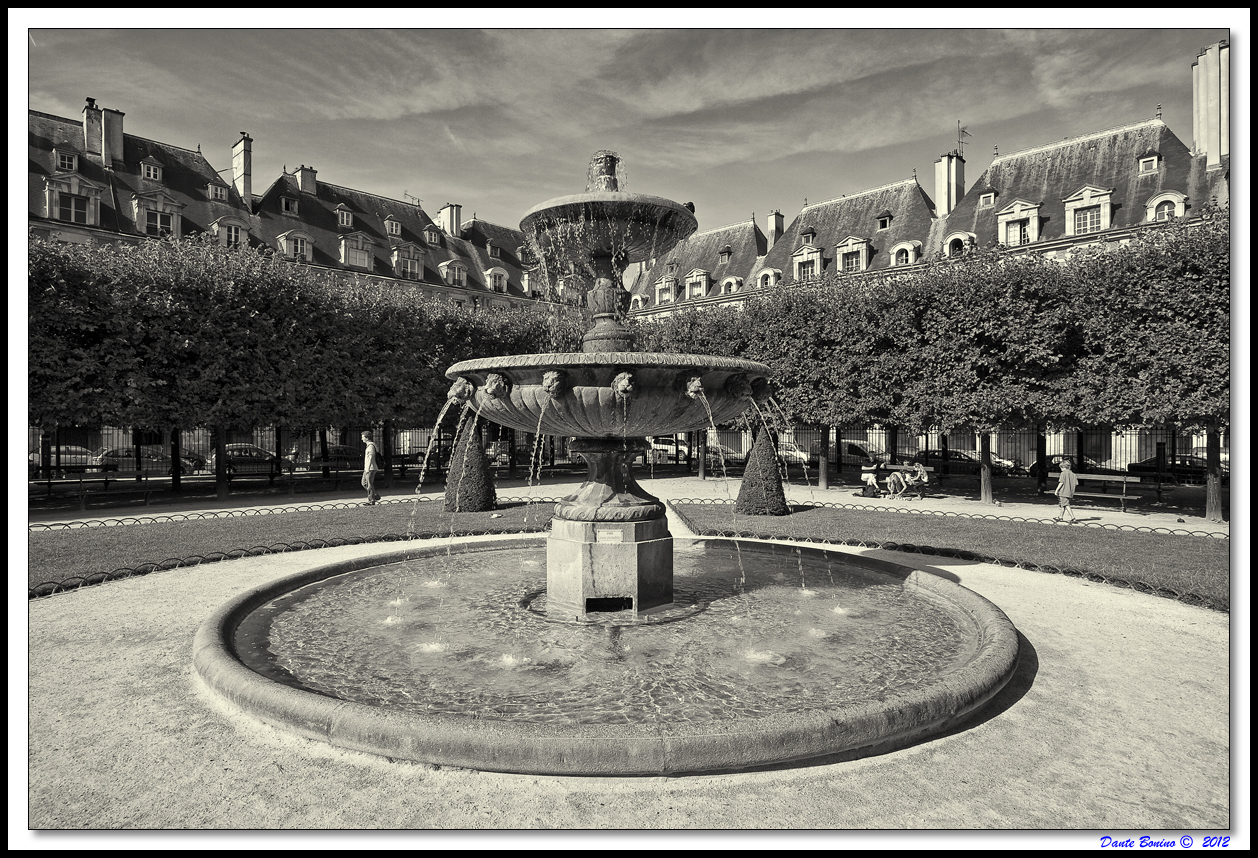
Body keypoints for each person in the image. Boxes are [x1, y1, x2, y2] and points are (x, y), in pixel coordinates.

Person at [1053, 458, 1079, 522]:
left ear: (1064, 467)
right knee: (1063, 505)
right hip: (1070, 492)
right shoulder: (1073, 474)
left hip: (1063, 492)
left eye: (1061, 468)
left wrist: (1056, 490)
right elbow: (1076, 483)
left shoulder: (1063, 473)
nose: (1061, 470)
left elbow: (1061, 482)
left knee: (1066, 505)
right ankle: (1060, 517)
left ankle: (1073, 518)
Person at [361, 430, 382, 506]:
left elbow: (370, 457)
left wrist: (368, 468)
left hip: (370, 468)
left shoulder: (370, 446)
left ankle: (371, 500)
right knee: (364, 483)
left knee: (369, 484)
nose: (361, 439)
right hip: (367, 468)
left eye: (363, 437)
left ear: (366, 438)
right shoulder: (369, 446)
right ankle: (375, 495)